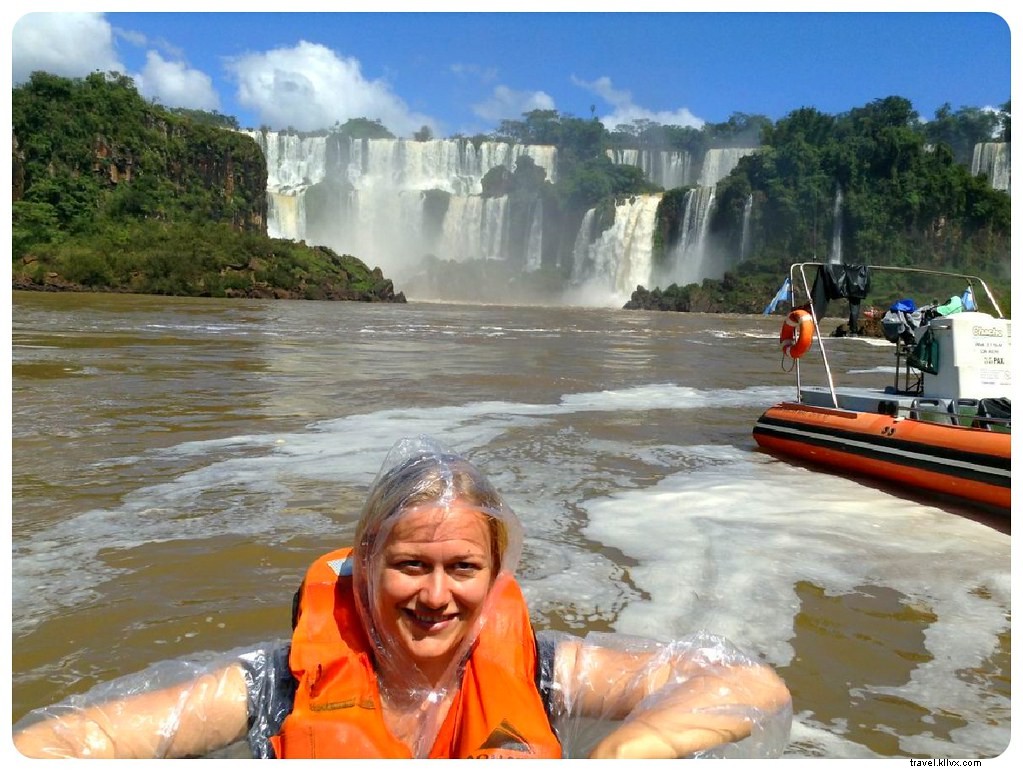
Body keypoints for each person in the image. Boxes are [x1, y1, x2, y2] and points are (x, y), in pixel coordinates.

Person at [13, 436, 792, 759]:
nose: (435, 595)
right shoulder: (274, 685)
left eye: (462, 568)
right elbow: (70, 743)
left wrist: (622, 752)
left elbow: (750, 685)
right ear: (363, 562)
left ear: (494, 580)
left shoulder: (547, 673)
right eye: (410, 565)